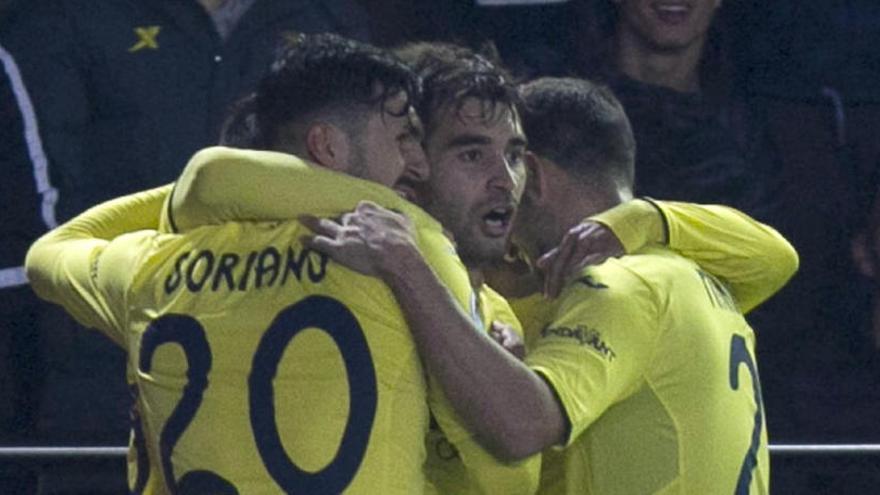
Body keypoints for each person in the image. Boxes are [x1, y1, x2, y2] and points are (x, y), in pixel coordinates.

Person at [26, 33, 543, 494]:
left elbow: (50, 252)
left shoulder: (149, 264)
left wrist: (207, 182)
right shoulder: (401, 257)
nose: (419, 164)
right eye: (405, 139)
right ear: (327, 146)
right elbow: (510, 475)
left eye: (515, 156)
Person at [289, 76, 797, 493]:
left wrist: (405, 264)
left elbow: (522, 427)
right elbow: (778, 259)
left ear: (529, 172)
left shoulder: (617, 287)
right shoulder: (689, 272)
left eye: (507, 156)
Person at [1, 1, 372, 492]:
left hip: (297, 357)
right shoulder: (66, 18)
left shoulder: (327, 17)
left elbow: (374, 170)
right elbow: (38, 204)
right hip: (106, 363)